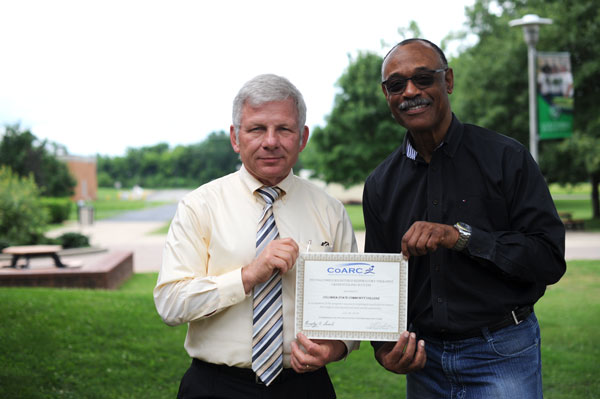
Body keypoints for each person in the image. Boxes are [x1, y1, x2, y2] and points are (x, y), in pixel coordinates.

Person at [363, 38, 566, 398]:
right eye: (397, 84)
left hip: (502, 351)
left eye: (424, 78)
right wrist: (382, 347)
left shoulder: (506, 158)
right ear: (386, 95)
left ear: (449, 81)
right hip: (425, 362)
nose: (410, 91)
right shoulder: (380, 184)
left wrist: (461, 237)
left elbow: (548, 259)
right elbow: (380, 279)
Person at [154, 73, 358, 399]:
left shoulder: (330, 211)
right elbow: (170, 303)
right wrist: (249, 275)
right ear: (236, 138)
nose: (271, 141)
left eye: (284, 129)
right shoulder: (199, 207)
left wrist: (335, 348)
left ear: (302, 137)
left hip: (305, 387)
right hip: (215, 386)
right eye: (257, 129)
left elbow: (353, 306)